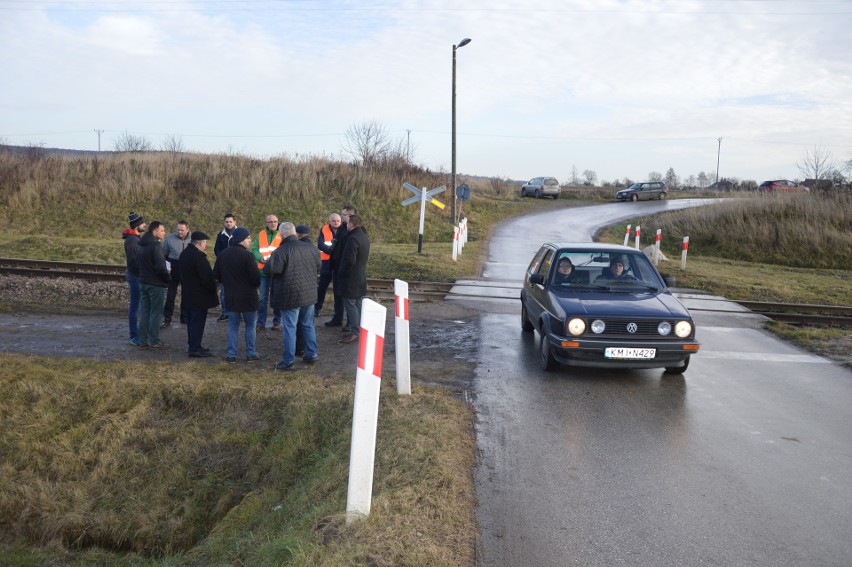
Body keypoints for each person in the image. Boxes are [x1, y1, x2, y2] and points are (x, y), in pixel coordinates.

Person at [265, 222, 321, 371]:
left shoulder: (281, 251)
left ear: (281, 234)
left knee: (290, 327)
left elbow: (271, 270)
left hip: (290, 296)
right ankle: (312, 354)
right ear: (295, 233)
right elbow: (318, 267)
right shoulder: (312, 248)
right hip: (308, 295)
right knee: (308, 325)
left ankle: (288, 361)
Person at [213, 227, 268, 363]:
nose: (250, 241)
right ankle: (250, 353)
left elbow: (216, 276)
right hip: (248, 297)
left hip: (231, 296)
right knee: (250, 325)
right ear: (242, 240)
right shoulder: (248, 256)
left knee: (233, 326)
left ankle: (231, 355)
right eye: (248, 238)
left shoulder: (223, 255)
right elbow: (256, 278)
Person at [179, 231, 219, 358]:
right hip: (200, 296)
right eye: (205, 242)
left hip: (189, 294)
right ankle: (195, 348)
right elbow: (206, 277)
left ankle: (194, 345)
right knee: (198, 322)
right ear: (201, 243)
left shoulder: (184, 254)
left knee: (192, 322)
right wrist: (213, 286)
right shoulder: (199, 256)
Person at [136, 220, 171, 350]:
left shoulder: (141, 244)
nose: (164, 233)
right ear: (155, 231)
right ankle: (155, 340)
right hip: (155, 284)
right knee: (156, 313)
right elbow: (160, 268)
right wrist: (168, 278)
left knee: (145, 311)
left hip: (143, 282)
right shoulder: (155, 246)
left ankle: (142, 340)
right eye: (162, 230)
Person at [337, 214, 370, 345]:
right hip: (360, 275)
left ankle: (356, 332)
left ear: (351, 224)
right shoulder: (364, 237)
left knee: (350, 304)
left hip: (350, 278)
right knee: (358, 303)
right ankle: (363, 328)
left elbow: (349, 260)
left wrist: (342, 272)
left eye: (347, 223)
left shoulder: (353, 238)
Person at [325, 205, 357, 329]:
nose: (341, 216)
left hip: (343, 267)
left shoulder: (351, 231)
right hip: (336, 265)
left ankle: (350, 323)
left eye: (343, 214)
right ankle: (337, 318)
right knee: (337, 293)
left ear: (350, 216)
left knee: (346, 295)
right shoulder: (343, 228)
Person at [253, 214, 283, 333]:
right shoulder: (260, 234)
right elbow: (254, 249)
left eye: (275, 221)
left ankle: (277, 322)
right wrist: (260, 259)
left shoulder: (282, 234)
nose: (273, 223)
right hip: (263, 272)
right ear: (266, 223)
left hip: (277, 272)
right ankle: (261, 323)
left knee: (277, 298)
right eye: (270, 222)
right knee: (262, 299)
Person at [161, 220, 191, 328]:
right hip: (174, 268)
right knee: (170, 295)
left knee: (186, 295)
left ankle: (185, 318)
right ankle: (167, 318)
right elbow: (164, 255)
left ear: (187, 229)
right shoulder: (169, 239)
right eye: (178, 229)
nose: (179, 232)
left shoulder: (193, 239)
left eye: (182, 230)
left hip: (187, 269)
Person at [213, 213, 240, 322]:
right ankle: (225, 313)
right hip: (224, 267)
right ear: (224, 223)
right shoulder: (220, 235)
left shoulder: (240, 233)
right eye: (226, 222)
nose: (228, 223)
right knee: (224, 292)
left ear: (234, 222)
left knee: (237, 290)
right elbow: (216, 249)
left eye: (230, 221)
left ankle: (238, 312)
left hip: (237, 267)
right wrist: (223, 258)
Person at [315, 212, 341, 316]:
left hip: (338, 263)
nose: (336, 223)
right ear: (329, 221)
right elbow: (320, 244)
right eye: (334, 221)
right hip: (326, 263)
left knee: (337, 289)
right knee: (321, 287)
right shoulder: (324, 229)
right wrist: (331, 252)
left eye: (338, 221)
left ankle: (337, 311)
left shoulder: (344, 229)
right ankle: (317, 308)